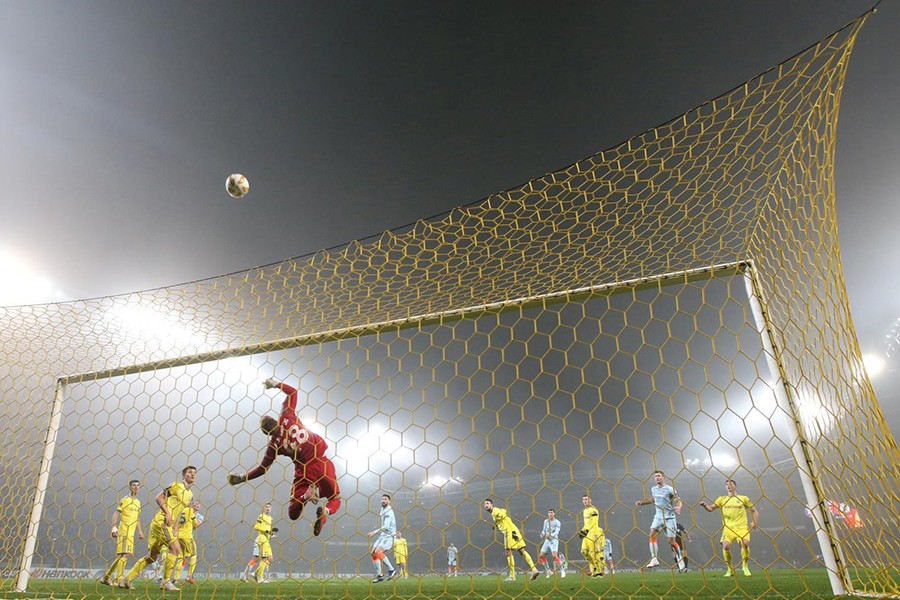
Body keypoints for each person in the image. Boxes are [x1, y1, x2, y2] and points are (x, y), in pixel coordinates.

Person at [228, 378, 341, 536]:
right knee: (335, 498)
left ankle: (305, 495)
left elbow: (262, 469)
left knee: (292, 513)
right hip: (320, 461)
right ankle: (326, 512)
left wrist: (242, 478)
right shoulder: (287, 416)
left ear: (267, 433)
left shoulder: (273, 446)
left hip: (304, 471)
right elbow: (293, 392)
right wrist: (275, 384)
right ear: (276, 420)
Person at [119, 466, 197, 591]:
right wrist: (167, 513)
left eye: (194, 473)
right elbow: (159, 497)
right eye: (189, 472)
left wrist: (175, 528)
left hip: (164, 525)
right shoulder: (176, 486)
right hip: (161, 522)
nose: (192, 474)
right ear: (183, 475)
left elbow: (179, 512)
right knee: (175, 548)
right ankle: (166, 582)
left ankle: (126, 580)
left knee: (151, 557)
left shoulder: (190, 494)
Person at [700, 479, 759, 577]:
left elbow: (755, 511)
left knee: (744, 544)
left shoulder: (743, 498)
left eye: (731, 484)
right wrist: (705, 505)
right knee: (726, 546)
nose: (728, 486)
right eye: (727, 484)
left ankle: (745, 566)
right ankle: (730, 569)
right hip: (728, 528)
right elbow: (711, 508)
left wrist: (754, 522)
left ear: (735, 486)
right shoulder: (721, 499)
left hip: (741, 528)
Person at [635, 470, 685, 571]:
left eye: (659, 476)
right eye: (655, 476)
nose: (657, 478)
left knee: (671, 542)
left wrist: (679, 506)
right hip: (658, 517)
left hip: (669, 517)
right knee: (652, 535)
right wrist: (642, 503)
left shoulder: (670, 489)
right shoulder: (654, 489)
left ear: (663, 477)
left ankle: (680, 558)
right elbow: (653, 499)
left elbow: (678, 500)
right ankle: (654, 559)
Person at [100, 479, 145, 586]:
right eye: (133, 485)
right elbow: (116, 513)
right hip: (124, 530)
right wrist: (113, 527)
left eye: (137, 485)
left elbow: (137, 518)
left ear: (140, 487)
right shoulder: (125, 499)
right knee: (126, 554)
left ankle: (106, 577)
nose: (136, 487)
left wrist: (140, 531)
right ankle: (119, 580)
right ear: (130, 487)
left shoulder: (138, 502)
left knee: (122, 556)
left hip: (131, 533)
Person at [483, 499, 540, 581]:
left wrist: (498, 520)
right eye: (485, 504)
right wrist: (496, 523)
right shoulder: (496, 511)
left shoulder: (495, 511)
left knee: (508, 552)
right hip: (514, 530)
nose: (486, 505)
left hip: (508, 531)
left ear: (492, 504)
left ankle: (512, 576)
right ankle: (534, 569)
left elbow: (502, 514)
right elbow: (504, 511)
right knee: (522, 550)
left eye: (487, 503)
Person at [367, 494, 397, 582]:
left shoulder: (389, 511)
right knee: (373, 553)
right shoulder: (382, 509)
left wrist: (374, 532)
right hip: (383, 535)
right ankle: (380, 575)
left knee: (378, 552)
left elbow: (386, 526)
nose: (383, 501)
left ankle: (391, 569)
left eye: (385, 499)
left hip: (390, 535)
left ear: (389, 501)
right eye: (382, 499)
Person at [173, 500, 204, 584]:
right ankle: (189, 576)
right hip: (187, 536)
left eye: (198, 504)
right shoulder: (190, 511)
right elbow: (196, 524)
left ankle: (176, 578)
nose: (197, 505)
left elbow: (176, 523)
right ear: (191, 504)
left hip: (179, 536)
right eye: (195, 503)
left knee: (180, 557)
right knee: (193, 554)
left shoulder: (182, 511)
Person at [248, 502, 278, 583]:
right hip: (262, 538)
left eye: (269, 507)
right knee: (264, 558)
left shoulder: (270, 518)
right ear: (264, 508)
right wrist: (266, 531)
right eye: (266, 507)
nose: (268, 508)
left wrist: (271, 535)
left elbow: (267, 530)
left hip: (266, 539)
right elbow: (256, 527)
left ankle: (255, 573)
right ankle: (260, 578)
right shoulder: (261, 516)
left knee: (270, 559)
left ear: (271, 509)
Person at [579, 494, 605, 577]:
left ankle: (598, 570)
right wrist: (582, 530)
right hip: (587, 534)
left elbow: (594, 522)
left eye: (586, 499)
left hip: (593, 533)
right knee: (584, 551)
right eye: (583, 499)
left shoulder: (594, 510)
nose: (585, 501)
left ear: (590, 500)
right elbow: (586, 523)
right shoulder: (584, 511)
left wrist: (586, 530)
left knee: (594, 553)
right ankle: (594, 567)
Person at [538, 509, 566, 578]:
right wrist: (542, 534)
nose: (550, 514)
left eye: (551, 512)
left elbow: (557, 532)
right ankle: (548, 571)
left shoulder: (557, 522)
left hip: (554, 540)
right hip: (547, 540)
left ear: (554, 513)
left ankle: (562, 571)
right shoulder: (546, 521)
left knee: (554, 556)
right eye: (549, 513)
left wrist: (550, 535)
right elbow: (544, 530)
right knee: (541, 556)